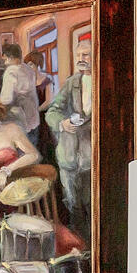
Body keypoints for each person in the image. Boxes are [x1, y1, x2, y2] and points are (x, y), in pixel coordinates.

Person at [44, 38, 94, 230]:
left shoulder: (104, 80)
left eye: (86, 55)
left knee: (93, 203)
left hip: (92, 155)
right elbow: (52, 112)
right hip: (69, 154)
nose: (81, 59)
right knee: (73, 204)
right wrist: (62, 124)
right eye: (79, 55)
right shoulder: (72, 82)